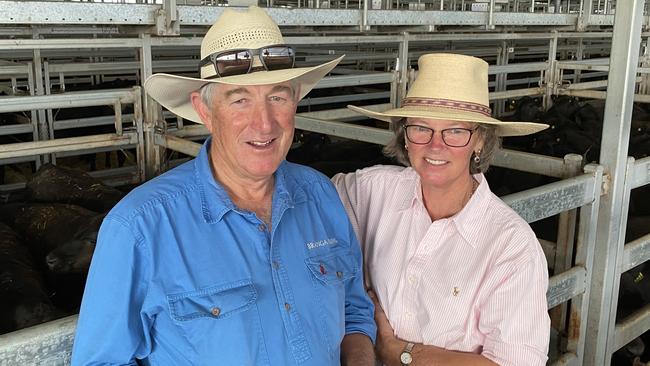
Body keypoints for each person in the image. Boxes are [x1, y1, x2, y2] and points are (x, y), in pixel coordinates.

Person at [71, 6, 376, 365]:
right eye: (240, 99)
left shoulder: (320, 194)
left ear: (295, 101)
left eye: (277, 97)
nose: (263, 124)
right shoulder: (139, 227)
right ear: (204, 111)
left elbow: (354, 310)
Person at [332, 53, 551, 366]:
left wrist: (400, 352)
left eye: (456, 131)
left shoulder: (511, 246)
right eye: (421, 128)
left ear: (480, 141)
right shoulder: (370, 190)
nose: (436, 146)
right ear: (404, 137)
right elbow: (307, 204)